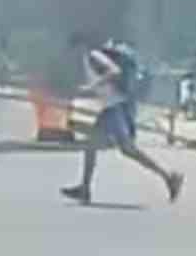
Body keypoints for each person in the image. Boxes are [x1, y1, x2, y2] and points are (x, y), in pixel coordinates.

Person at [61, 33, 184, 205]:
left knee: (126, 149)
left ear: (78, 46)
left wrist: (92, 86)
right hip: (112, 107)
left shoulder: (92, 56)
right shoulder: (89, 59)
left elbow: (114, 71)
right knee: (95, 146)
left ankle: (169, 177)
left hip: (115, 107)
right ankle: (84, 188)